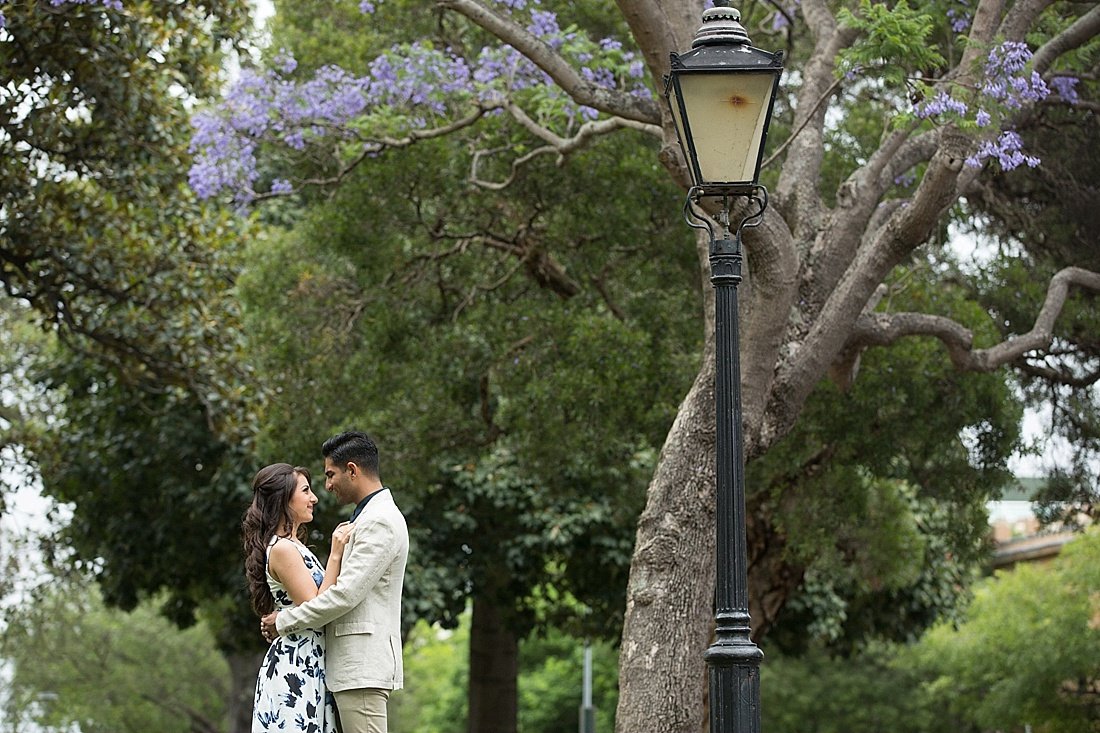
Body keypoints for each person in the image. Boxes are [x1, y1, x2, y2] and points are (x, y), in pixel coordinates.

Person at [261, 431, 409, 733]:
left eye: (330, 475)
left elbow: (344, 596)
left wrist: (284, 621)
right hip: (344, 670)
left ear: (352, 470)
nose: (326, 486)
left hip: (361, 668)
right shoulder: (367, 518)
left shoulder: (378, 520)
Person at [242, 463, 353, 733]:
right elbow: (316, 606)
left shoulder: (294, 546)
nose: (314, 498)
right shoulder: (282, 549)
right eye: (305, 491)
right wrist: (336, 553)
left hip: (309, 660)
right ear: (283, 499)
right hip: (296, 665)